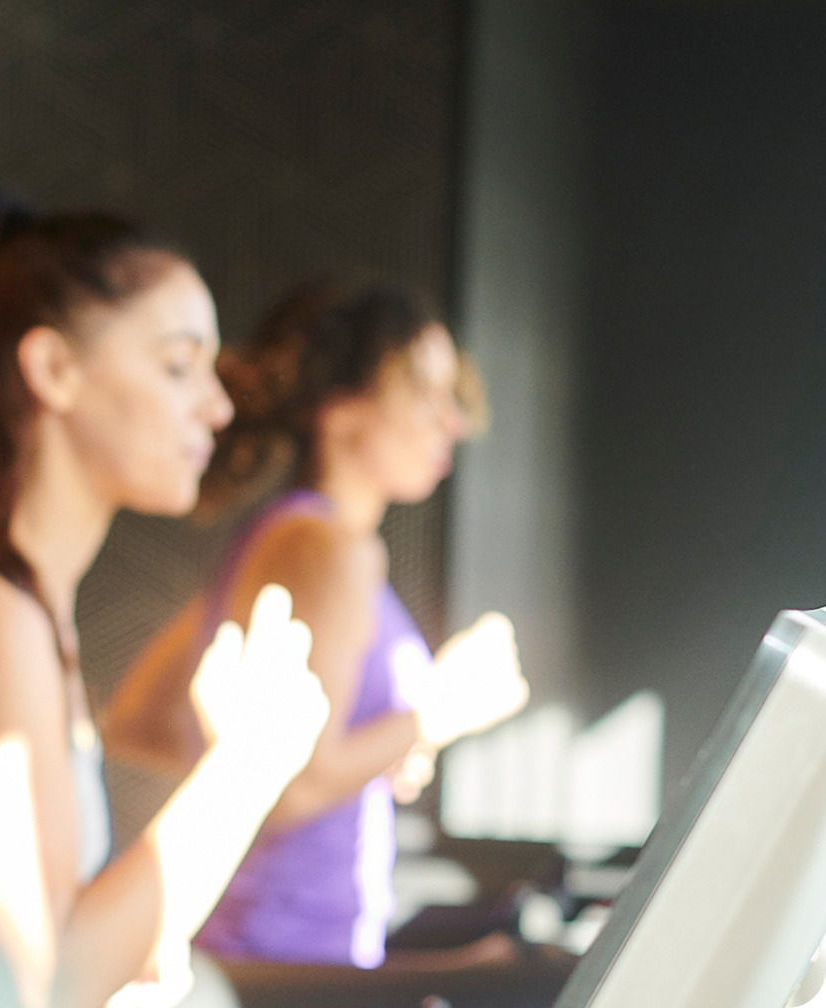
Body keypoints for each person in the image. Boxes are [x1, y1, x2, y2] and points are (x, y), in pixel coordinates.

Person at [0, 198, 330, 1008]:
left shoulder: (18, 611)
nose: (217, 408)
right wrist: (249, 766)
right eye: (179, 365)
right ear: (52, 370)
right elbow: (45, 983)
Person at [103, 278, 528, 970]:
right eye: (424, 392)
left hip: (281, 945)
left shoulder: (282, 539)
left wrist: (373, 754)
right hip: (286, 954)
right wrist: (437, 716)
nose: (450, 421)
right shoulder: (328, 551)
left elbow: (138, 719)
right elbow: (292, 785)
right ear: (339, 410)